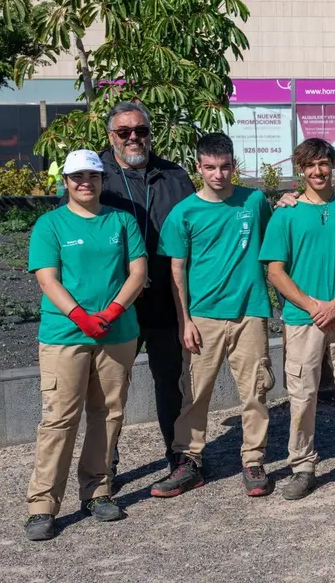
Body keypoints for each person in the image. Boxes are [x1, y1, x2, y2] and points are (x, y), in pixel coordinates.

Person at [24, 149, 148, 541]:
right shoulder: (50, 224)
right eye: (77, 177)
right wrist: (80, 316)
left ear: (101, 180)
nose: (85, 183)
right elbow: (47, 278)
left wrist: (110, 313)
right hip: (65, 335)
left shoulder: (122, 221)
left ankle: (98, 490)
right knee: (60, 417)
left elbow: (138, 272)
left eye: (92, 176)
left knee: (108, 413)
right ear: (66, 182)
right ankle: (42, 505)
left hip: (117, 332)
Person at [150, 133, 276, 499]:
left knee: (255, 390)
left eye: (224, 167)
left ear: (233, 165)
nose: (217, 174)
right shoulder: (184, 212)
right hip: (202, 316)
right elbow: (177, 269)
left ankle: (253, 460)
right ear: (198, 167)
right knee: (194, 393)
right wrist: (184, 320)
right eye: (209, 167)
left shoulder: (254, 201)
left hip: (249, 312)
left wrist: (288, 202)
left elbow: (276, 239)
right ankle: (189, 461)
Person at [260, 138, 335, 500]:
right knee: (302, 394)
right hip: (302, 319)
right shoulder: (286, 214)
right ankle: (302, 467)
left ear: (333, 165)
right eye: (310, 166)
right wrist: (314, 306)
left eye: (323, 164)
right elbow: (275, 272)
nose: (317, 171)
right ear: (301, 169)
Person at [93, 101, 195, 473]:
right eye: (124, 132)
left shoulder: (174, 176)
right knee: (111, 386)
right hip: (118, 300)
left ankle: (179, 455)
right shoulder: (96, 175)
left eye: (141, 131)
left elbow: (199, 225)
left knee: (170, 381)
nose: (134, 138)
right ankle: (104, 467)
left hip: (166, 298)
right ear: (111, 136)